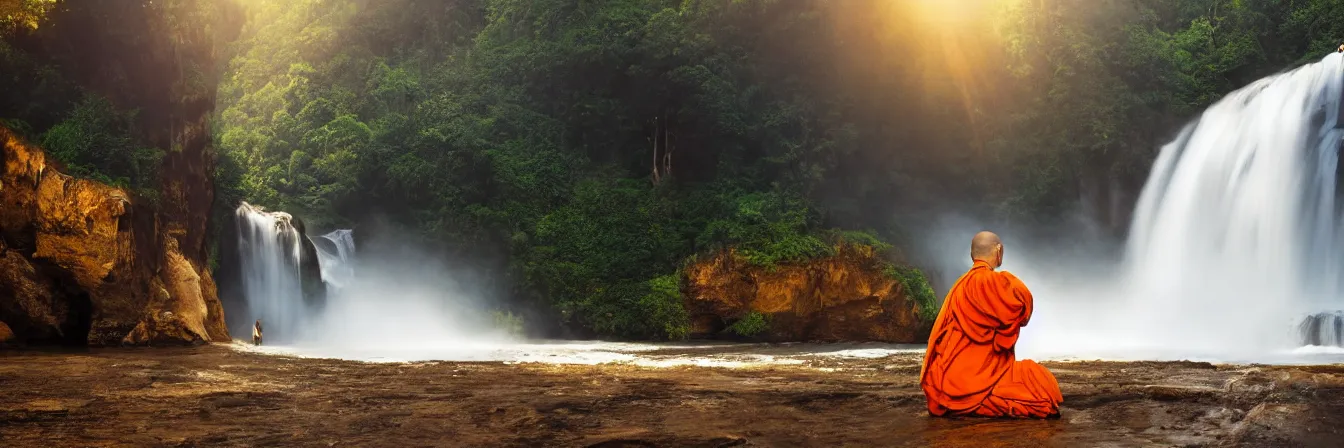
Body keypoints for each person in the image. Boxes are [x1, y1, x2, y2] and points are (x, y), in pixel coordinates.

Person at [919, 231, 1063, 419]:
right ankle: (979, 397)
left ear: (972, 255)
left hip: (946, 382)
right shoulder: (997, 282)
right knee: (1038, 380)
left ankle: (965, 401)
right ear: (999, 251)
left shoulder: (959, 287)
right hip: (984, 378)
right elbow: (1024, 305)